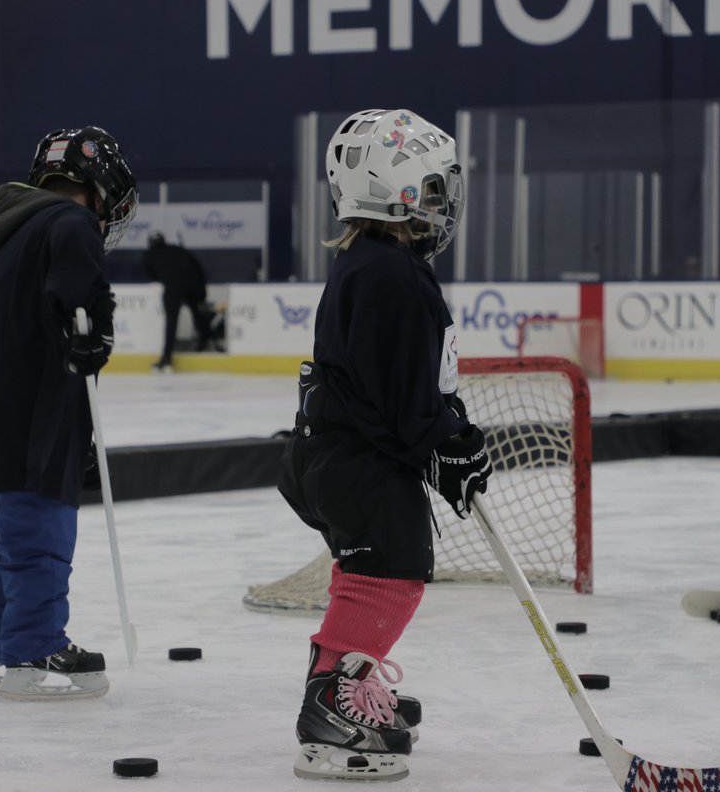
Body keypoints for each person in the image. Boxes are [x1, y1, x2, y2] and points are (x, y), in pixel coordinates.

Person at [277, 109, 493, 781]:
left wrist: (445, 432)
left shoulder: (371, 263)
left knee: (369, 568)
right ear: (392, 190)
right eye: (431, 188)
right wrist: (448, 442)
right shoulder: (391, 276)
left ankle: (349, 680)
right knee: (391, 573)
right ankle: (332, 706)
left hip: (339, 453)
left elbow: (405, 380)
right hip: (358, 459)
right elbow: (403, 391)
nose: (441, 202)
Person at [0, 125, 137, 701]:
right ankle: (32, 651)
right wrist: (96, 329)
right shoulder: (71, 222)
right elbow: (79, 295)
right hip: (35, 396)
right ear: (100, 186)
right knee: (39, 520)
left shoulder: (11, 235)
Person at [143, 232, 224, 372]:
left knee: (171, 322)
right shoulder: (178, 249)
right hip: (193, 284)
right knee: (197, 311)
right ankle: (206, 338)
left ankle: (167, 358)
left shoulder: (149, 256)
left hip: (173, 286)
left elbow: (154, 275)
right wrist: (201, 291)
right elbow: (198, 268)